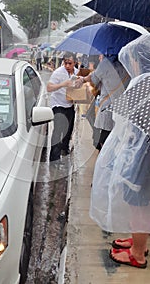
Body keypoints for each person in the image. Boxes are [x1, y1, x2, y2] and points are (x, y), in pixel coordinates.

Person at [90, 34, 150, 269]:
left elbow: (121, 116)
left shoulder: (145, 81)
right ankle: (140, 241)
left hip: (144, 155)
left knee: (138, 201)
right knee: (143, 200)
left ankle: (137, 253)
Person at [81, 50, 130, 150]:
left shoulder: (105, 64)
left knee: (104, 136)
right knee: (116, 137)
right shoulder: (127, 64)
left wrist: (83, 79)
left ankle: (102, 154)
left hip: (108, 106)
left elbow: (94, 80)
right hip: (123, 107)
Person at [47, 52, 79, 166]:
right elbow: (49, 87)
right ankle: (54, 159)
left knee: (68, 129)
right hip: (58, 105)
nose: (67, 66)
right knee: (58, 130)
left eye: (70, 63)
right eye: (65, 63)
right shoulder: (58, 73)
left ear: (75, 63)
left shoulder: (76, 72)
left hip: (70, 104)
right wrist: (62, 84)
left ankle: (64, 149)